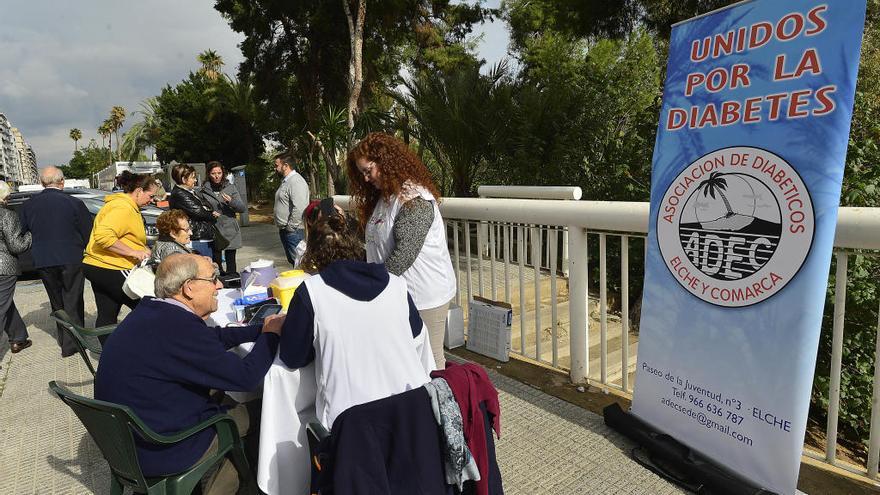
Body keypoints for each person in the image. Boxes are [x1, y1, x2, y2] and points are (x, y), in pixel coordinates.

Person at [95, 253, 283, 495]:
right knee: (266, 411)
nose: (220, 285)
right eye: (213, 278)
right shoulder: (177, 328)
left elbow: (211, 338)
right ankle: (235, 484)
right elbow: (246, 378)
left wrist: (259, 330)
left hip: (128, 441)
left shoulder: (154, 312)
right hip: (163, 447)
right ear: (189, 288)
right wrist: (270, 337)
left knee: (221, 393)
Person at [280, 213, 434, 429]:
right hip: (412, 414)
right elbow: (419, 342)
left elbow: (292, 357)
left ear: (313, 255)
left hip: (349, 425)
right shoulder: (397, 286)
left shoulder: (312, 294)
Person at [346, 132, 457, 369]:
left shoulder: (414, 200)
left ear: (385, 162)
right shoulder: (384, 196)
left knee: (431, 360)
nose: (365, 179)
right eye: (362, 173)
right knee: (407, 358)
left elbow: (401, 257)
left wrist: (367, 286)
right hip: (397, 292)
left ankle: (442, 404)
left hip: (426, 295)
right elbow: (374, 239)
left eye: (368, 170)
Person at [18, 166, 92, 357]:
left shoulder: (29, 205)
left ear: (42, 183)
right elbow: (88, 233)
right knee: (73, 300)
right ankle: (73, 343)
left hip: (43, 260)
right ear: (62, 182)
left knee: (56, 302)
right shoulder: (74, 203)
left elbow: (23, 232)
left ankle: (64, 338)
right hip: (71, 257)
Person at [83, 171, 156, 332]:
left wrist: (141, 248)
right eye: (150, 196)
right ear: (138, 191)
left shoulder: (123, 206)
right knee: (150, 307)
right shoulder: (123, 207)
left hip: (97, 265)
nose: (152, 201)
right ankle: (149, 345)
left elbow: (125, 236)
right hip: (110, 266)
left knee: (107, 312)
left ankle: (107, 353)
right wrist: (134, 253)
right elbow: (103, 236)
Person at [0, 181, 32, 357]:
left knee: (5, 304)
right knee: (1, 306)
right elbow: (16, 245)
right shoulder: (6, 215)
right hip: (4, 268)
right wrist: (30, 235)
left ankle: (18, 338)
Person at [200, 161, 246, 275]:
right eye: (213, 173)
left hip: (229, 227)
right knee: (216, 262)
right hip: (214, 228)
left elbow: (242, 208)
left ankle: (231, 280)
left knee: (231, 261)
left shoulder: (231, 187)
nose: (216, 176)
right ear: (208, 174)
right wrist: (209, 212)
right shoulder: (203, 190)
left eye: (219, 173)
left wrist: (231, 201)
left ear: (223, 173)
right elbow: (200, 208)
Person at [168, 164, 218, 257]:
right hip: (196, 237)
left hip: (202, 236)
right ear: (183, 179)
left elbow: (206, 207)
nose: (195, 180)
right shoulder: (180, 194)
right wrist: (211, 215)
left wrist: (209, 211)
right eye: (193, 178)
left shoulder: (189, 192)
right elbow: (199, 212)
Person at [273, 150, 310, 266]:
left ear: (285, 166)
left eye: (276, 165)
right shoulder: (286, 181)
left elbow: (300, 207)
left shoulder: (296, 181)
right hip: (287, 230)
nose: (275, 168)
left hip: (293, 231)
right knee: (294, 262)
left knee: (300, 264)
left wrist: (291, 227)